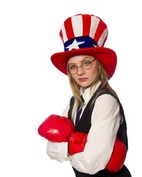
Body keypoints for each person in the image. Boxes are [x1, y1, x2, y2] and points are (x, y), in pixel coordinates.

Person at [38, 13, 131, 177]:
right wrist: (79, 146)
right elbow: (51, 150)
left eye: (86, 63)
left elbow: (91, 163)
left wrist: (67, 146)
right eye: (73, 67)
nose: (79, 71)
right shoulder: (75, 102)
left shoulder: (105, 101)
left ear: (99, 64)